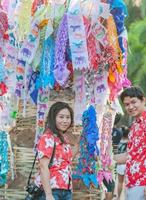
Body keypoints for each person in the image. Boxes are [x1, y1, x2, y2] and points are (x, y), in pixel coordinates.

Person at [35, 101, 78, 200]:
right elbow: (43, 166)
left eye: (68, 117)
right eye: (61, 117)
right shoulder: (47, 138)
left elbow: (67, 160)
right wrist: (49, 195)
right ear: (53, 118)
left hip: (66, 190)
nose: (65, 120)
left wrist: (79, 143)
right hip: (52, 190)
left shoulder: (62, 138)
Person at [113, 86, 146, 200]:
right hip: (132, 182)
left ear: (143, 100)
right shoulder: (135, 126)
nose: (130, 107)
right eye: (127, 104)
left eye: (133, 102)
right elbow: (130, 155)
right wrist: (107, 159)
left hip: (143, 183)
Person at [116, 126, 129, 199]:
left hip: (120, 164)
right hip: (127, 164)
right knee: (127, 183)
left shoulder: (120, 142)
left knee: (120, 182)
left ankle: (118, 197)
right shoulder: (130, 142)